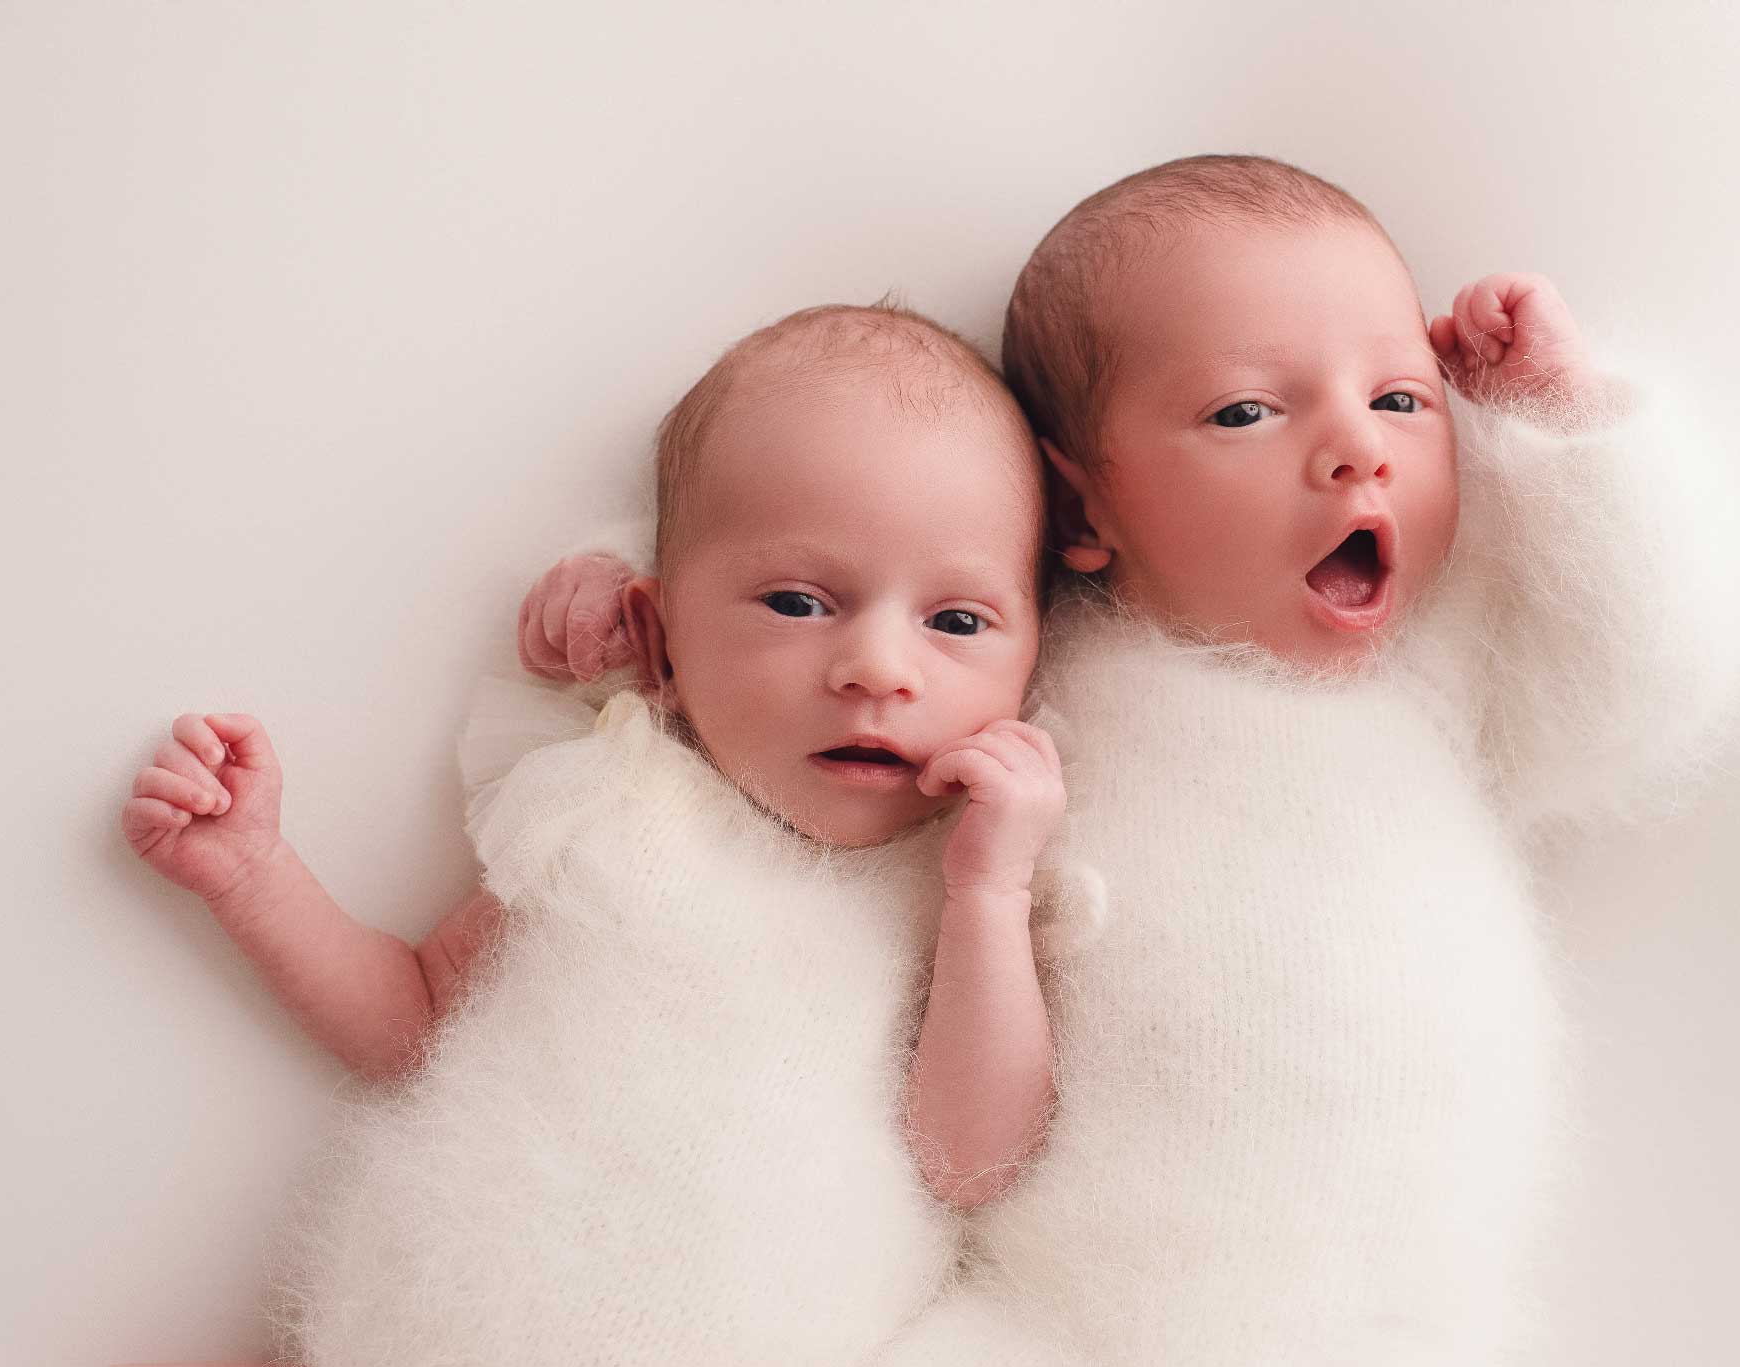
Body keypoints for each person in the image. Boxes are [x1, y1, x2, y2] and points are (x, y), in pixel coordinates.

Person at [522, 155, 1740, 1365]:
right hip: (1088, 1315)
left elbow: (1647, 675)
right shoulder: (1027, 679)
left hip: (1414, 1321)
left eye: (1399, 399)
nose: (1355, 449)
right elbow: (836, 639)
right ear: (1079, 510)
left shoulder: (1439, 668)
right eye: (1245, 411)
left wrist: (1567, 423)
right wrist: (646, 635)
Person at [121, 302, 1070, 1367]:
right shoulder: (614, 800)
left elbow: (973, 1163)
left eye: (956, 622)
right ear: (659, 638)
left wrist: (990, 896)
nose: (878, 668)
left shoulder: (961, 882)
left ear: (1037, 658)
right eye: (798, 603)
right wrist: (253, 871)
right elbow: (413, 1016)